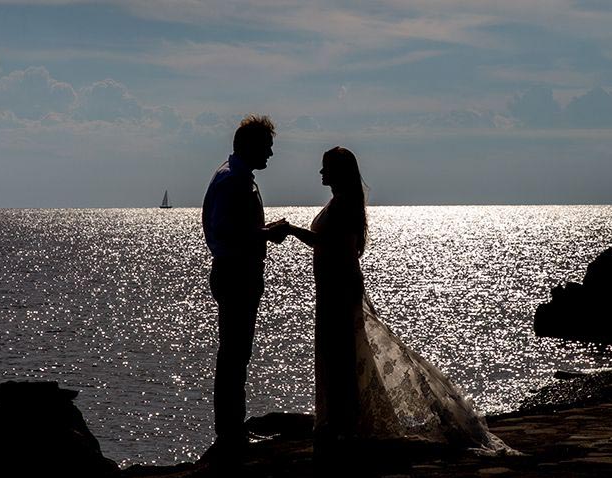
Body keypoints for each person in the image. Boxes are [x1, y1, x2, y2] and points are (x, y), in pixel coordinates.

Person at [286, 147, 510, 453]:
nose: (320, 173)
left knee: (342, 359)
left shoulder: (344, 206)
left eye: (326, 168)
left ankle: (345, 425)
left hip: (339, 291)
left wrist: (290, 230)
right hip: (329, 290)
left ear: (339, 172)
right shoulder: (338, 203)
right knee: (337, 358)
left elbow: (331, 244)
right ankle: (340, 423)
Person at [202, 114, 289, 453]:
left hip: (237, 271)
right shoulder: (233, 180)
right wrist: (267, 233)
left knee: (236, 354)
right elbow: (225, 231)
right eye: (266, 147)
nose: (270, 153)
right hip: (235, 272)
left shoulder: (236, 176)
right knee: (234, 355)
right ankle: (230, 433)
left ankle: (231, 430)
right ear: (249, 146)